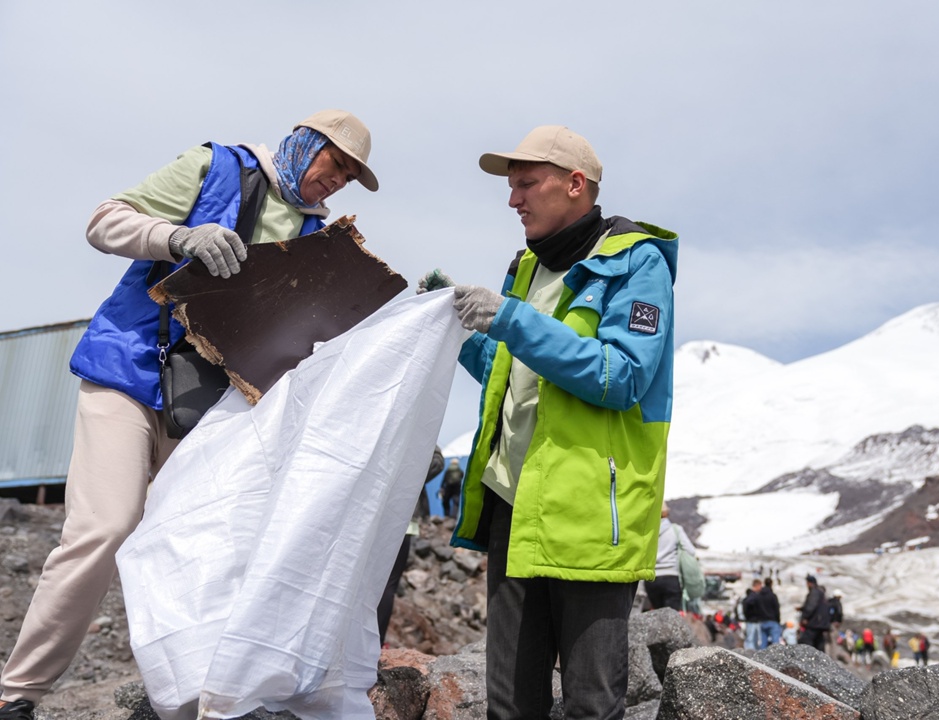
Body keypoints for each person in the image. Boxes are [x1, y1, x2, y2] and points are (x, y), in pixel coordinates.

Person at [0, 110, 379, 720]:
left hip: (205, 404)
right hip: (129, 369)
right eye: (334, 164)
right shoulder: (216, 167)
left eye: (350, 177)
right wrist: (177, 238)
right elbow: (105, 221)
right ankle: (17, 693)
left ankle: (190, 699)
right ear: (305, 144)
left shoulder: (317, 238)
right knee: (104, 527)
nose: (337, 181)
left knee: (205, 546)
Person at [421, 125, 677, 719]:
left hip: (590, 513)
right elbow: (508, 377)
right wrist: (457, 329)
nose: (514, 200)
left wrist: (509, 319)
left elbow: (622, 376)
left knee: (592, 704)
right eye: (512, 188)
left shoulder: (638, 264)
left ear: (575, 185)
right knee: (509, 705)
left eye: (527, 185)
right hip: (515, 507)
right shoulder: (527, 270)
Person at [377, 447, 445, 645]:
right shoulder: (412, 420)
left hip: (366, 514)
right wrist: (409, 477)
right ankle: (374, 647)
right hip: (401, 514)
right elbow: (437, 461)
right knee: (387, 584)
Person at [643, 502, 697, 612]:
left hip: (651, 578)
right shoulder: (675, 530)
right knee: (671, 616)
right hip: (671, 576)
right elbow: (691, 551)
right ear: (667, 513)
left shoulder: (647, 531)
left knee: (658, 615)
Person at [796, 574, 832, 652]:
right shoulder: (820, 592)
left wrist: (805, 617)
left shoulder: (815, 592)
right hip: (820, 623)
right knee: (819, 643)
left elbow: (811, 606)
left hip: (815, 622)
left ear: (810, 583)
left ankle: (809, 661)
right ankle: (821, 661)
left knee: (807, 642)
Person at [759, 577, 783, 648]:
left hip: (762, 621)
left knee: (763, 643)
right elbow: (776, 609)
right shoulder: (773, 596)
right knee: (775, 643)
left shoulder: (760, 596)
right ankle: (776, 658)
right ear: (771, 584)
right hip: (773, 621)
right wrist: (778, 620)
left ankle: (760, 658)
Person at [742, 580, 766, 650]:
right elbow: (748, 606)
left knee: (755, 639)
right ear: (757, 586)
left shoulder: (751, 596)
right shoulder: (753, 596)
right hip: (752, 620)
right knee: (751, 638)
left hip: (753, 620)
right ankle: (750, 653)